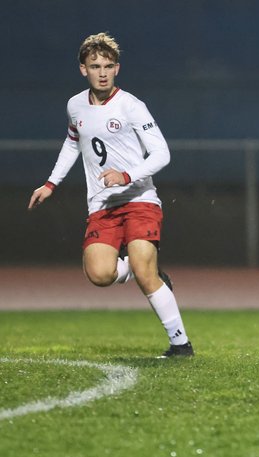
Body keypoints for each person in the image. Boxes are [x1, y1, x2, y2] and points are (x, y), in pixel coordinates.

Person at [27, 32, 193, 358]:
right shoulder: (75, 105)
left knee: (146, 276)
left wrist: (126, 175)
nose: (102, 72)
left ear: (117, 68)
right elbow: (74, 141)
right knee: (99, 274)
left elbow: (161, 154)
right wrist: (51, 183)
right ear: (82, 69)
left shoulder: (131, 106)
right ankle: (136, 264)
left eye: (108, 65)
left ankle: (180, 345)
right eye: (94, 66)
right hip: (102, 204)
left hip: (139, 199)